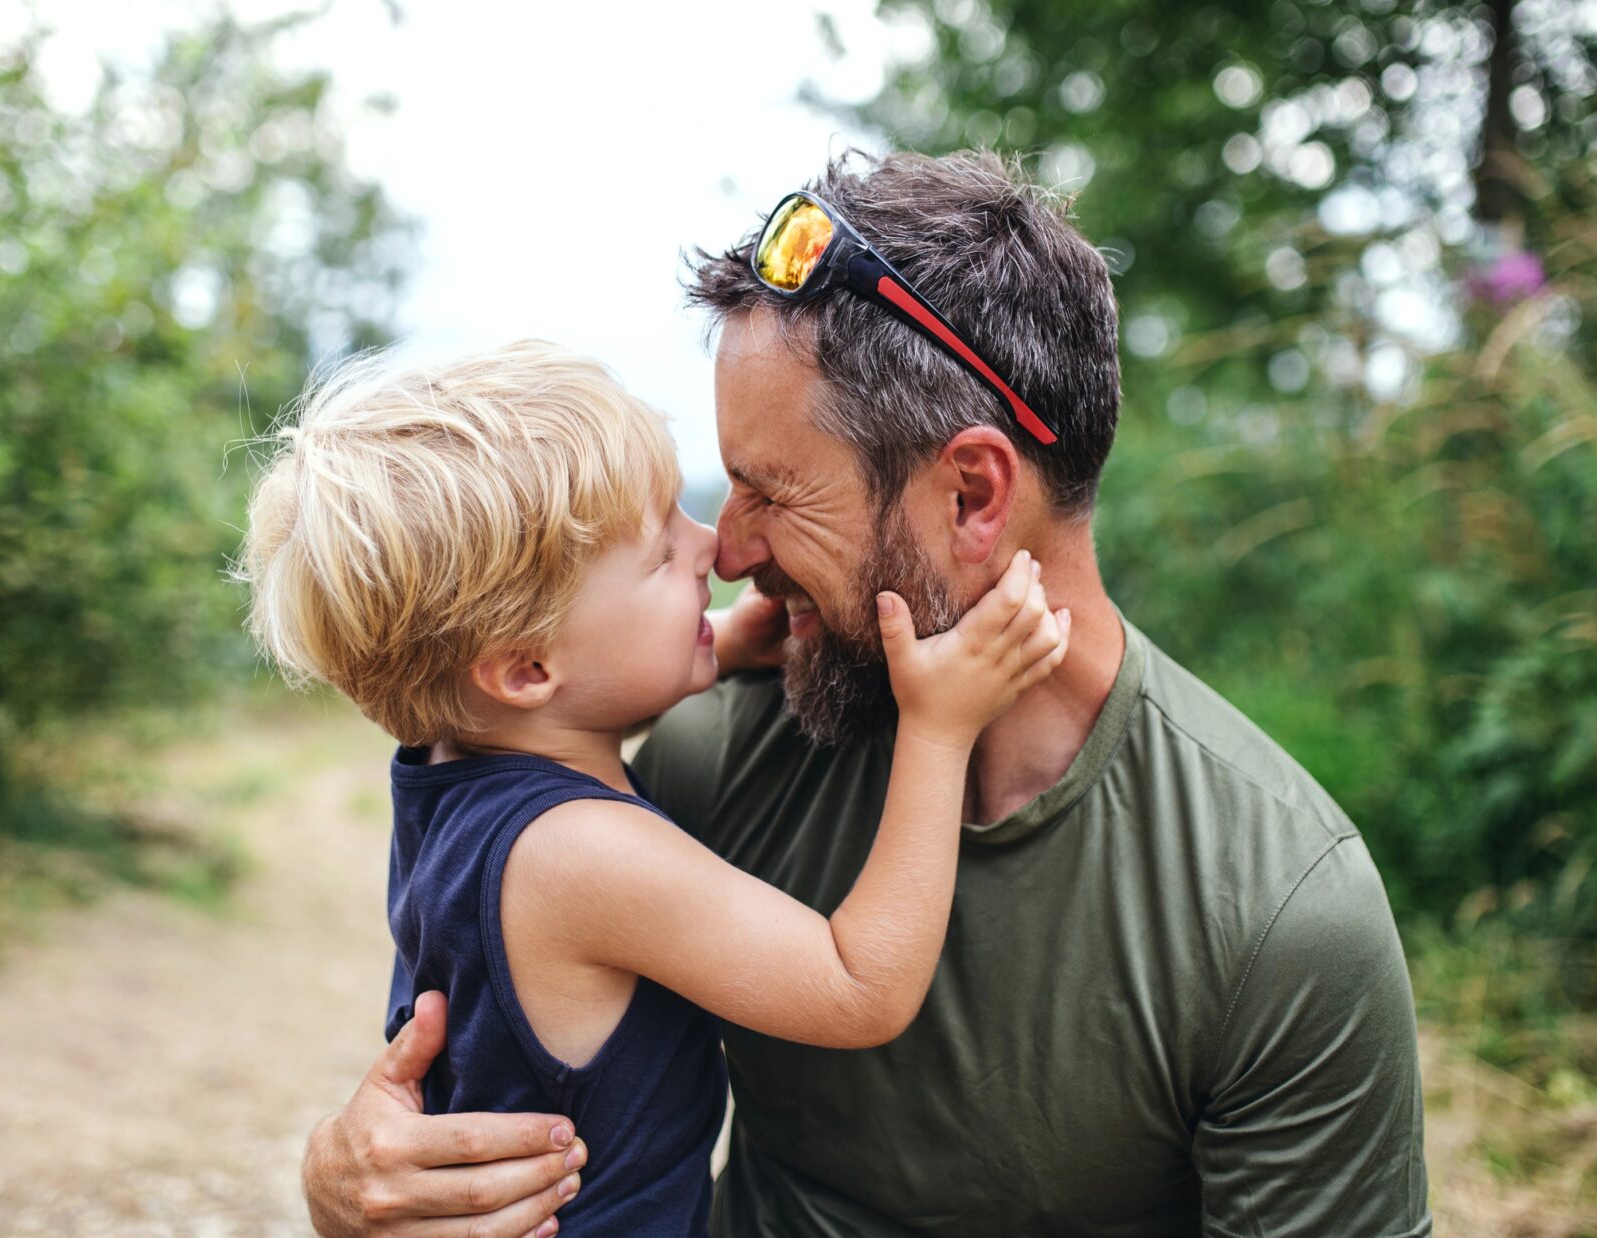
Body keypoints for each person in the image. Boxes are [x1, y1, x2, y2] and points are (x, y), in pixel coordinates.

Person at [300, 151, 1432, 1237]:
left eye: (773, 492)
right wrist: (349, 1176)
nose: (728, 549)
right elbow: (493, 1011)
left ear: (972, 495)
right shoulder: (712, 759)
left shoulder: (1279, 912)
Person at [239, 340, 1072, 1236]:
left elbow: (561, 721)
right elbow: (858, 985)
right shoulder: (581, 855)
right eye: (660, 554)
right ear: (525, 669)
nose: (711, 545)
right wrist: (939, 728)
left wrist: (715, 642)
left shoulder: (446, 766)